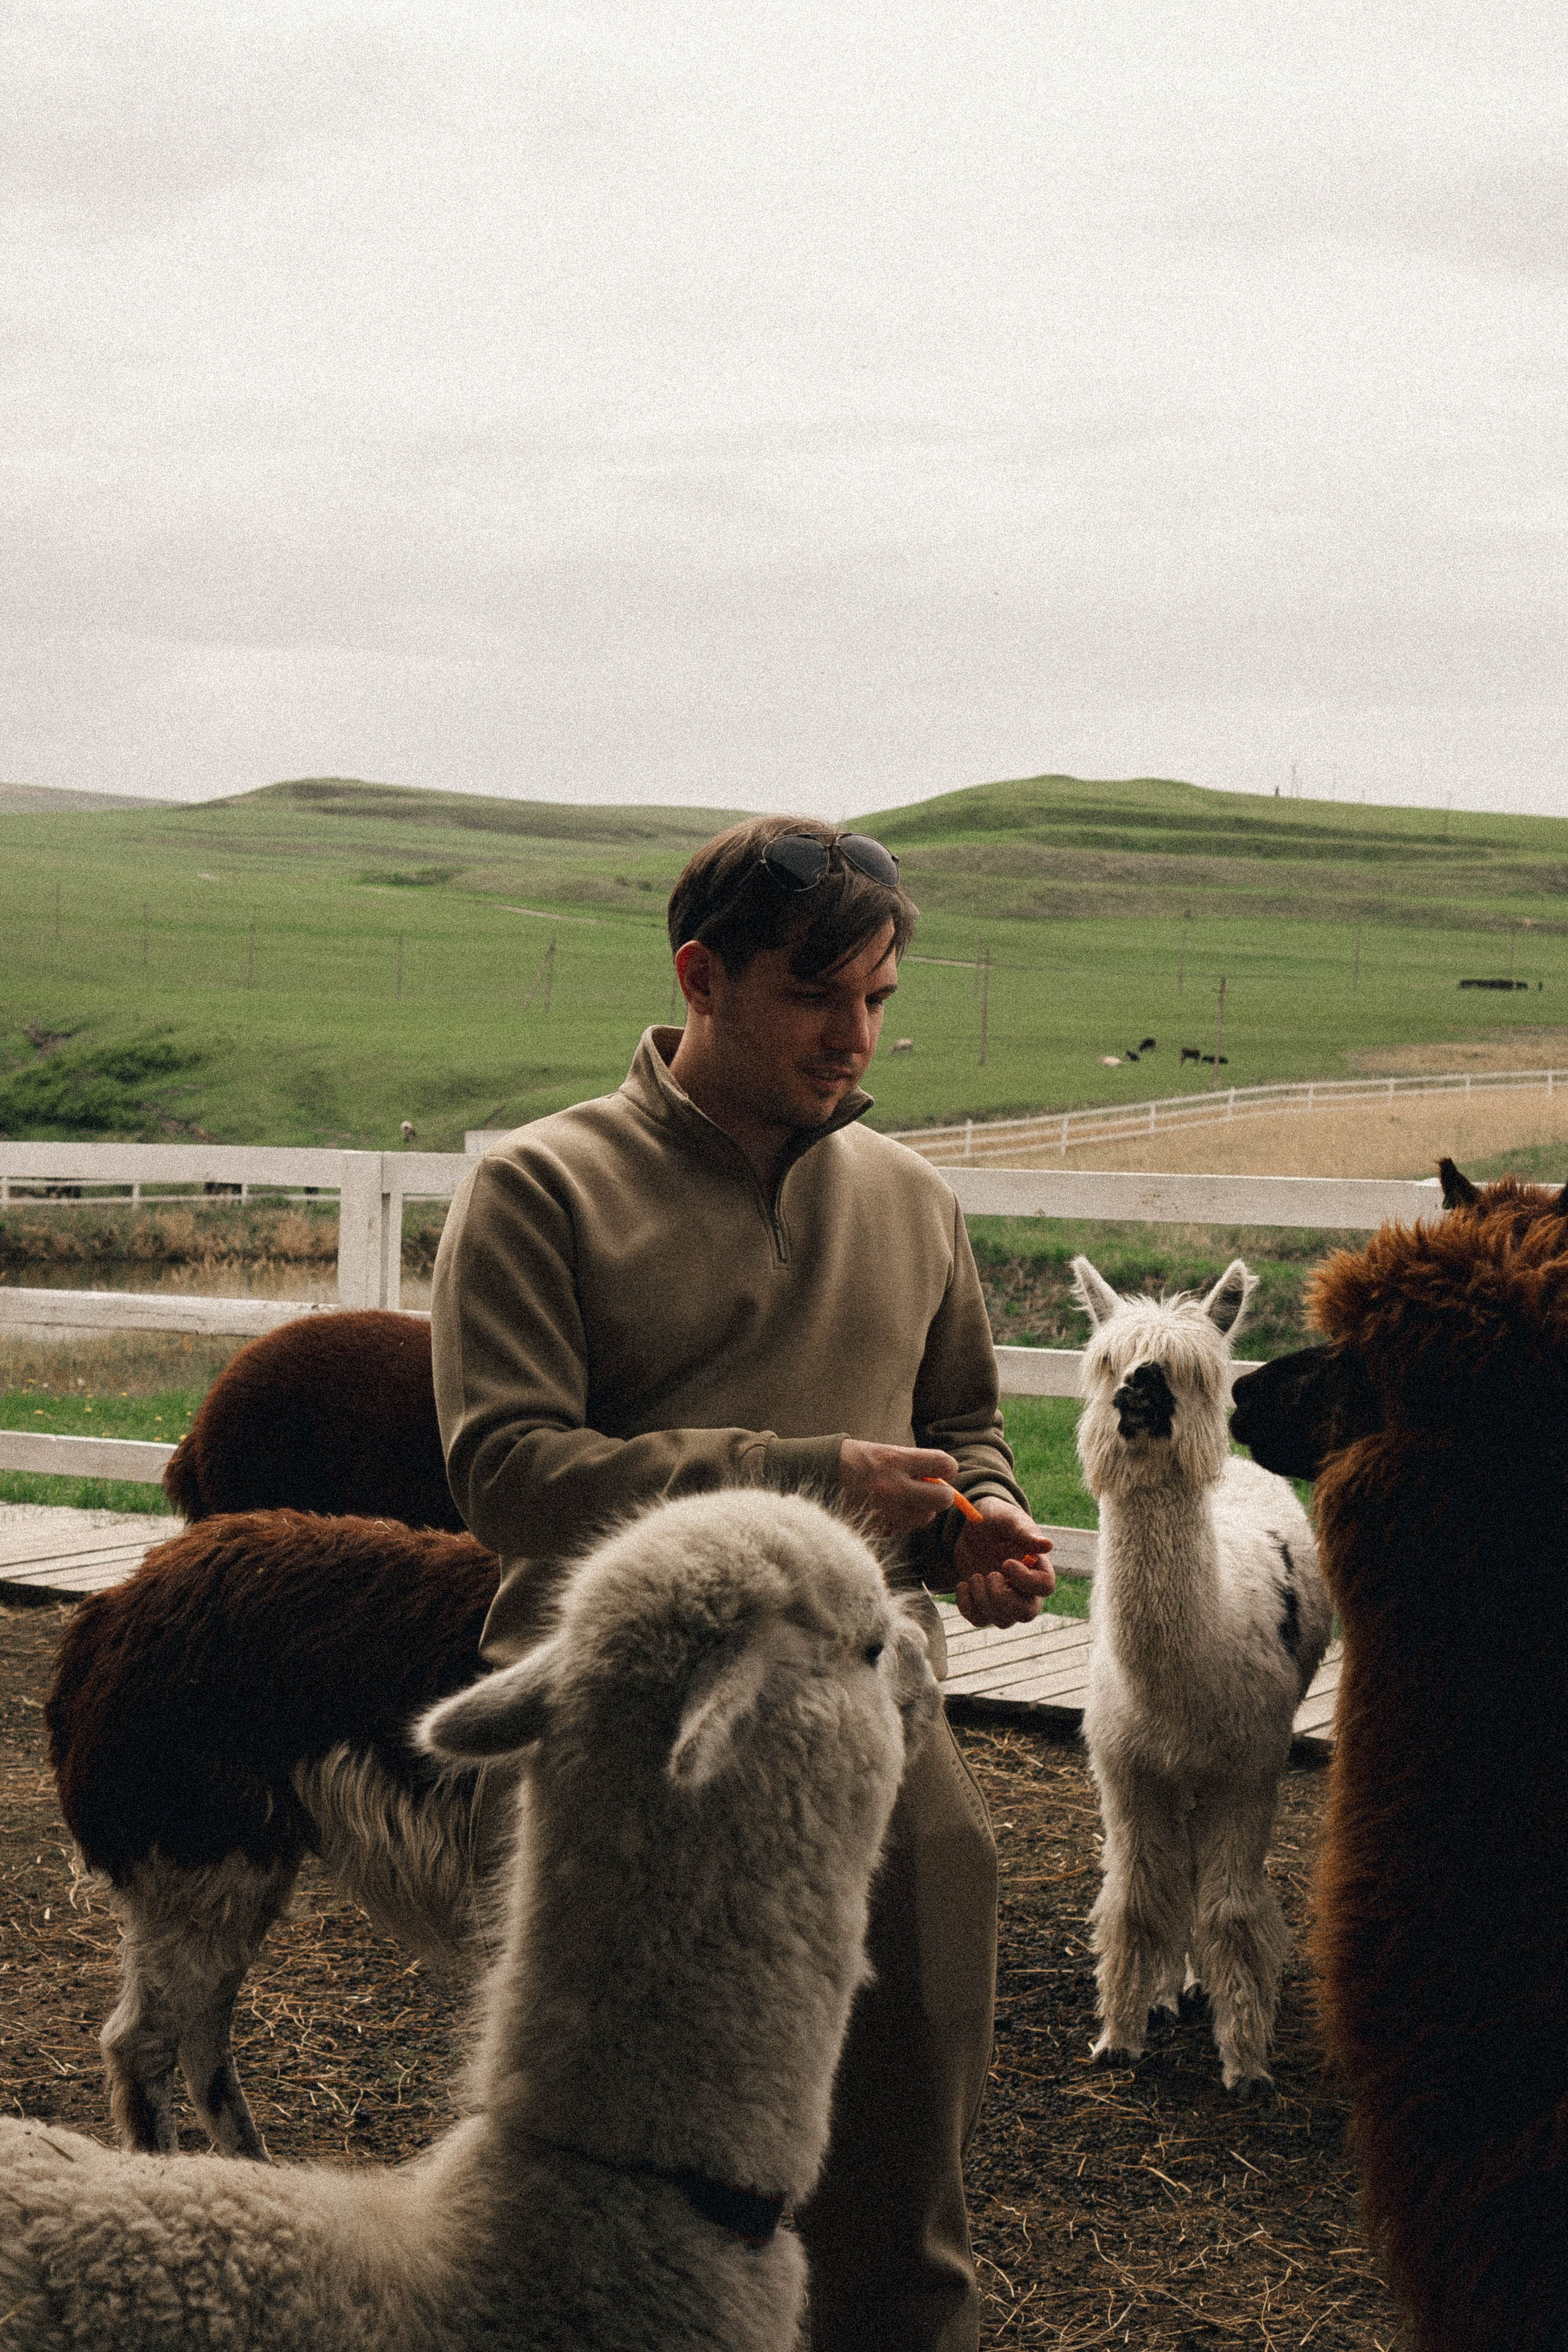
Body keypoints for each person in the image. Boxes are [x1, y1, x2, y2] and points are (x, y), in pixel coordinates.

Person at [431, 814, 1055, 2352]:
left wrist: (975, 1515)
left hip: (871, 1734)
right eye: (813, 995)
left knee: (902, 2184)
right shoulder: (536, 1188)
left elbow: (963, 1423)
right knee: (629, 2191)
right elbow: (504, 1471)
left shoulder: (913, 1201)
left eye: (880, 1000)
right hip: (629, 1755)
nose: (854, 1039)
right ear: (699, 977)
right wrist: (806, 1478)